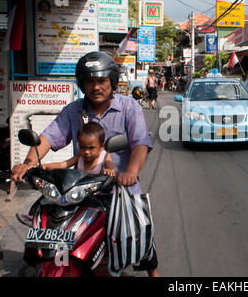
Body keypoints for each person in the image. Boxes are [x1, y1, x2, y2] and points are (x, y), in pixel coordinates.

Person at [11, 51, 159, 277]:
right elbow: (48, 138)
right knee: (51, 222)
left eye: (101, 81)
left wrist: (130, 172)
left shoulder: (129, 107)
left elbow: (139, 143)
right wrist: (29, 163)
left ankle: (153, 273)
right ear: (82, 83)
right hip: (80, 191)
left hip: (119, 189)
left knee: (140, 230)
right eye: (90, 81)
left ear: (112, 82)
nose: (96, 86)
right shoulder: (73, 110)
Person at [41, 122, 116, 176]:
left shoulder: (105, 156)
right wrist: (44, 166)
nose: (86, 152)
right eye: (83, 147)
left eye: (91, 148)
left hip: (100, 195)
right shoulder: (79, 157)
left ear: (101, 147)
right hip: (79, 195)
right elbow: (63, 164)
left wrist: (109, 171)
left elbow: (111, 168)